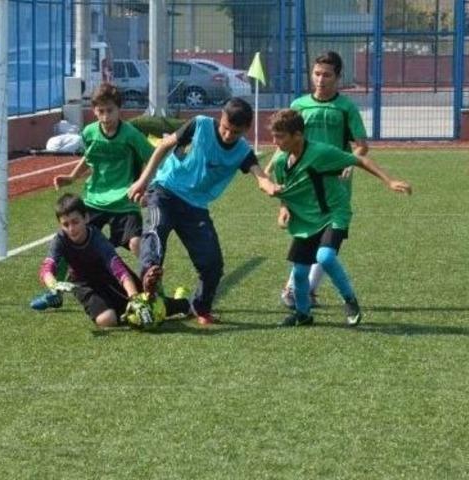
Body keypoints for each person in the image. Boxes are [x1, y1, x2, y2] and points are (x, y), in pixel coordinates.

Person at [127, 97, 280, 326]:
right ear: (221, 117)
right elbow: (163, 146)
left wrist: (272, 187)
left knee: (213, 264)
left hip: (195, 208)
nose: (228, 135)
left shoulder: (241, 151)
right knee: (156, 230)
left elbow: (260, 177)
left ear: (246, 129)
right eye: (225, 127)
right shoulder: (199, 124)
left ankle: (200, 307)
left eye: (235, 132)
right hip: (165, 191)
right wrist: (142, 181)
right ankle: (150, 273)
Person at [268, 109, 411, 327]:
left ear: (298, 135)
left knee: (325, 257)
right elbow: (287, 191)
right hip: (306, 220)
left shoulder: (320, 152)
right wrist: (283, 209)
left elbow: (359, 160)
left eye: (280, 137)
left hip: (333, 213)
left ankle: (349, 300)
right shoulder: (280, 162)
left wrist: (389, 181)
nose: (275, 142)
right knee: (299, 273)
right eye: (274, 136)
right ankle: (303, 314)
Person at [30, 83, 154, 311]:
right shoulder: (89, 132)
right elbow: (90, 158)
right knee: (70, 239)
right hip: (94, 199)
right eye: (100, 111)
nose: (105, 117)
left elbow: (153, 157)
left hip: (124, 201)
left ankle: (153, 290)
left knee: (137, 243)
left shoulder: (130, 134)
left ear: (119, 110)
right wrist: (71, 177)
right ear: (94, 111)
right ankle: (54, 292)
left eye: (110, 111)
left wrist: (144, 185)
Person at [266, 51, 369, 309]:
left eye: (327, 75)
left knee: (327, 242)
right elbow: (286, 140)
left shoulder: (345, 107)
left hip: (334, 183)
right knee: (305, 234)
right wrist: (273, 162)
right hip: (303, 183)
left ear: (338, 77)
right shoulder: (300, 105)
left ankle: (306, 289)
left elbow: (362, 145)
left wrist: (349, 163)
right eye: (317, 74)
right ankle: (297, 288)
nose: (321, 80)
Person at [38, 193, 190, 328]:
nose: (71, 228)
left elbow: (118, 268)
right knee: (106, 320)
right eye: (66, 224)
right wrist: (54, 284)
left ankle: (183, 302)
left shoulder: (96, 238)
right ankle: (133, 317)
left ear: (86, 218)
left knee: (149, 304)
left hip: (109, 277)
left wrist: (134, 298)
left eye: (75, 222)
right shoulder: (59, 239)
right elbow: (47, 267)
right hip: (83, 283)